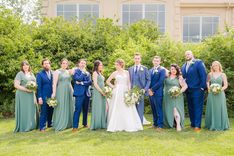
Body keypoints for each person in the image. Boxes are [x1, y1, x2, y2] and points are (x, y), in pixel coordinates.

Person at [106, 59, 143, 132]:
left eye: (117, 64)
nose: (115, 66)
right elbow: (107, 81)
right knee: (118, 106)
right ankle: (117, 124)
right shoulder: (114, 73)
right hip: (117, 91)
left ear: (121, 65)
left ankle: (127, 124)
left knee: (127, 106)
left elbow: (129, 82)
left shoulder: (126, 72)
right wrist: (113, 86)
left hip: (125, 90)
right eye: (115, 64)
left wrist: (129, 91)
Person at [181, 50, 207, 132]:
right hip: (188, 90)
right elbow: (183, 78)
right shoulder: (183, 66)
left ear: (192, 54)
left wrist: (202, 87)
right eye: (186, 55)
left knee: (197, 107)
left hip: (197, 89)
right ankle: (192, 123)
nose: (187, 56)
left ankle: (197, 125)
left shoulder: (198, 62)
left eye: (188, 54)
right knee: (190, 108)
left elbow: (203, 75)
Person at [205, 61, 230, 131]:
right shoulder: (210, 74)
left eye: (216, 65)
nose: (215, 67)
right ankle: (211, 124)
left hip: (220, 94)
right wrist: (209, 88)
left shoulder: (223, 75)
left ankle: (221, 125)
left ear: (219, 66)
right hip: (211, 94)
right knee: (212, 108)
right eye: (214, 66)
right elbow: (207, 82)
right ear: (212, 67)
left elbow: (225, 85)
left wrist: (219, 90)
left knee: (220, 108)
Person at [14, 60, 38, 132]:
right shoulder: (20, 74)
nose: (25, 66)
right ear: (22, 67)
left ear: (29, 66)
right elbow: (16, 85)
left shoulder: (31, 73)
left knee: (31, 109)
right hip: (22, 94)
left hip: (31, 94)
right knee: (24, 110)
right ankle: (25, 126)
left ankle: (32, 125)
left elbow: (35, 82)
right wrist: (26, 89)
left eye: (26, 65)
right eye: (23, 65)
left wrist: (34, 88)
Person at [51, 58, 74, 131]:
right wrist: (54, 93)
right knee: (61, 106)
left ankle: (68, 123)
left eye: (66, 63)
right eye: (63, 63)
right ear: (61, 64)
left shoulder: (68, 72)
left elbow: (70, 81)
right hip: (61, 90)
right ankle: (60, 123)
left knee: (69, 106)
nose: (65, 65)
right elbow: (54, 83)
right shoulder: (57, 72)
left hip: (69, 90)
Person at [163, 64, 187, 131]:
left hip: (176, 96)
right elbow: (161, 68)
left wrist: (178, 92)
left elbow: (185, 86)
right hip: (167, 96)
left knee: (175, 110)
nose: (173, 70)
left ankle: (178, 125)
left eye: (175, 69)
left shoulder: (179, 77)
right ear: (170, 69)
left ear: (177, 70)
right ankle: (171, 124)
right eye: (172, 69)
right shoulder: (167, 76)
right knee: (168, 110)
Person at [128, 53, 150, 123]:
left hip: (141, 90)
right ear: (133, 59)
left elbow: (148, 80)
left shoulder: (145, 68)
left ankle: (139, 123)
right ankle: (133, 122)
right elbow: (129, 80)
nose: (137, 60)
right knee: (132, 107)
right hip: (132, 91)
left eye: (138, 58)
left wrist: (145, 89)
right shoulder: (130, 69)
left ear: (140, 59)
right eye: (135, 58)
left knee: (140, 107)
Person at [72, 59, 92, 132]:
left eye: (84, 63)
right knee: (77, 109)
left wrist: (81, 83)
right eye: (82, 63)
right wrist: (83, 73)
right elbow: (78, 78)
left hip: (86, 93)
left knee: (86, 110)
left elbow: (90, 82)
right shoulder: (76, 71)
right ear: (79, 64)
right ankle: (75, 126)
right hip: (79, 93)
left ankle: (85, 123)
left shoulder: (88, 73)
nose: (83, 64)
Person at [148, 56, 166, 130]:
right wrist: (148, 90)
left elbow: (160, 82)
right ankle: (155, 123)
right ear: (152, 61)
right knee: (153, 109)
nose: (156, 62)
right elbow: (148, 81)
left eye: (157, 61)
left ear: (160, 62)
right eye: (155, 61)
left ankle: (160, 125)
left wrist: (152, 89)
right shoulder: (150, 70)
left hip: (158, 92)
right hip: (150, 92)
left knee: (158, 109)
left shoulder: (162, 70)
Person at [37, 58, 53, 132]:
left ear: (50, 64)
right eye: (45, 63)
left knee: (51, 110)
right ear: (43, 65)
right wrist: (39, 97)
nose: (47, 64)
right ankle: (42, 127)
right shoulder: (40, 74)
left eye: (48, 63)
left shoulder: (53, 73)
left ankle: (50, 123)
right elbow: (38, 87)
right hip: (44, 95)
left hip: (52, 95)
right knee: (44, 111)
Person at [90, 60, 107, 130]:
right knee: (97, 107)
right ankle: (96, 124)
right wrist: (101, 91)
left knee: (102, 107)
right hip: (98, 92)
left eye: (102, 65)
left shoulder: (100, 73)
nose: (101, 66)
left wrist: (105, 90)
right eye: (100, 65)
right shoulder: (95, 73)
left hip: (102, 92)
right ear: (96, 66)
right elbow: (95, 84)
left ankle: (102, 123)